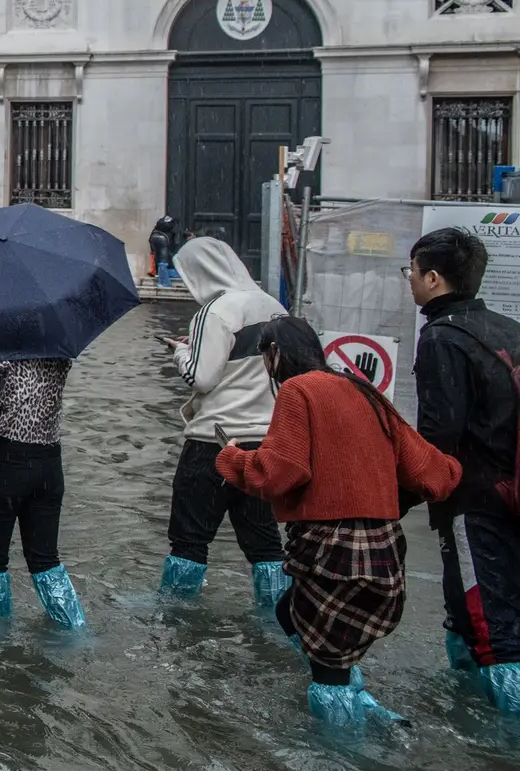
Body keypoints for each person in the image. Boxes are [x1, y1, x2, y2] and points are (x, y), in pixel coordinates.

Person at [218, 317, 460, 727]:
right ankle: (361, 700)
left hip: (331, 552)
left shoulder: (298, 389)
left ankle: (341, 762)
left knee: (325, 669)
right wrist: (388, 501)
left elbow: (280, 472)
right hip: (384, 552)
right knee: (286, 612)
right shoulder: (365, 391)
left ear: (274, 352)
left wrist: (233, 457)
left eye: (264, 357)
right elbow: (435, 473)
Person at [409, 226, 520, 713]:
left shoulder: (441, 337)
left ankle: (500, 741)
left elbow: (440, 434)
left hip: (474, 504)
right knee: (486, 611)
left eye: (410, 271)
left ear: (433, 278)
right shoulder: (508, 329)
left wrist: (402, 493)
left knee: (490, 624)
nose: (408, 280)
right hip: (511, 493)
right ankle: (469, 708)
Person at [158, 237, 289, 606]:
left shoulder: (214, 311)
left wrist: (183, 351)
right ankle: (277, 618)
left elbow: (201, 378)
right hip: (265, 444)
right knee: (264, 543)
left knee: (189, 539)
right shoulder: (274, 306)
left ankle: (176, 620)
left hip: (212, 443)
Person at [0, 355, 85, 627]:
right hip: (50, 463)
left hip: (4, 464)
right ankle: (75, 631)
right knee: (46, 560)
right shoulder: (55, 345)